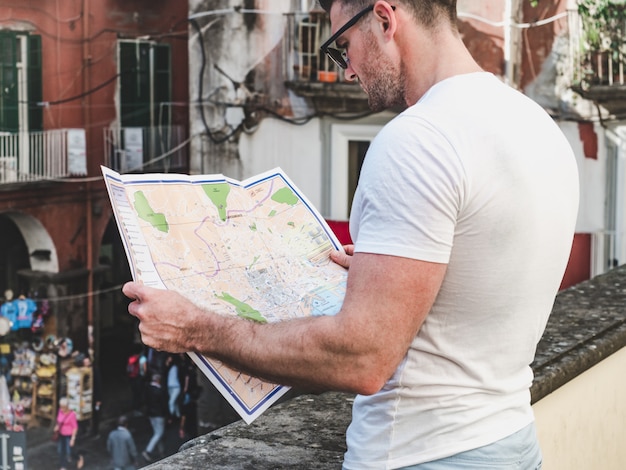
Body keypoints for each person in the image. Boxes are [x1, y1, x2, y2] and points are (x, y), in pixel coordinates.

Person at [122, 0, 580, 468]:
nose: (346, 71)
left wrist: (198, 328)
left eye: (342, 46)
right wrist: (387, 265)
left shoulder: (417, 140)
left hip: (420, 454)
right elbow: (479, 263)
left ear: (385, 18)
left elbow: (362, 359)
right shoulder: (535, 124)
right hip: (512, 442)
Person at [142, 373, 168, 462]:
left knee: (156, 432)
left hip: (150, 414)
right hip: (159, 414)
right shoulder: (159, 391)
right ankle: (147, 451)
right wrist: (168, 415)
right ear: (158, 380)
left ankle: (162, 451)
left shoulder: (147, 389)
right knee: (159, 433)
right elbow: (164, 404)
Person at [54, 397, 78, 470]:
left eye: (63, 407)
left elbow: (75, 427)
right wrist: (57, 426)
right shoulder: (60, 411)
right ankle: (63, 466)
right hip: (61, 434)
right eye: (60, 407)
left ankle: (78, 457)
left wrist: (73, 439)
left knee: (69, 451)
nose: (61, 409)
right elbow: (59, 421)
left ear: (67, 407)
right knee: (60, 450)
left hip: (69, 435)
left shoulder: (72, 415)